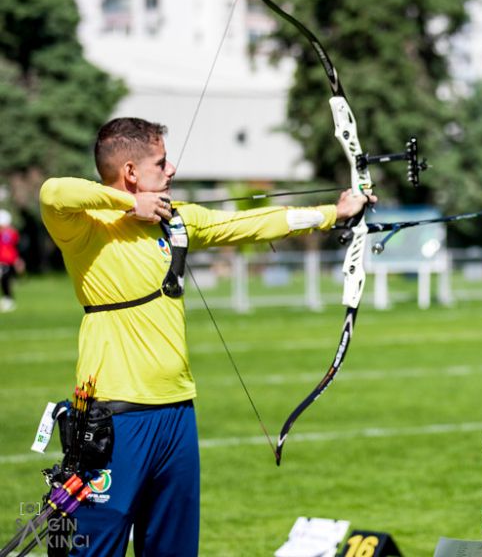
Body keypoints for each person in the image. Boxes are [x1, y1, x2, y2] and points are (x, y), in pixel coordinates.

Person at [39, 117, 375, 556]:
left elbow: (252, 224)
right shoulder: (85, 228)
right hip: (115, 417)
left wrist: (335, 213)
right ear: (131, 172)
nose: (172, 169)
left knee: (175, 547)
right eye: (161, 162)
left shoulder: (175, 221)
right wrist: (127, 205)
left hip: (177, 414)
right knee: (92, 548)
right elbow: (52, 191)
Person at [0, 208, 23, 312]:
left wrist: (17, 261)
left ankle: (8, 299)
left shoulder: (9, 233)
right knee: (4, 280)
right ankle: (7, 298)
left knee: (5, 280)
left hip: (6, 262)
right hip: (5, 261)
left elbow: (12, 249)